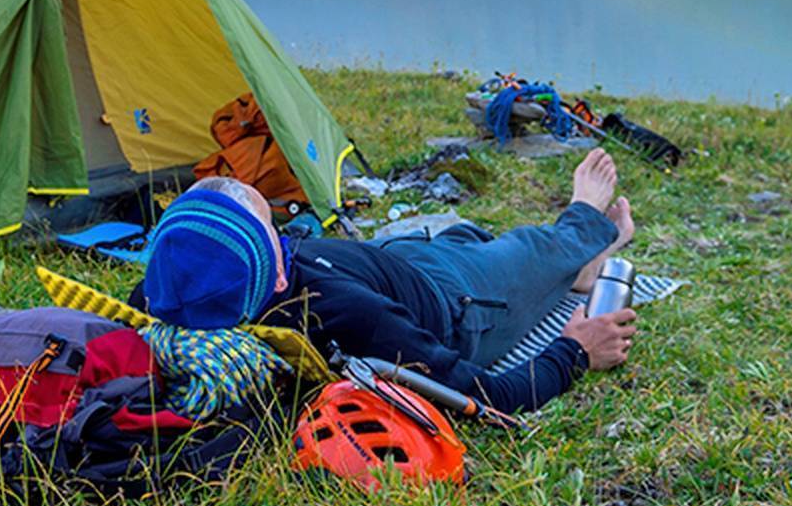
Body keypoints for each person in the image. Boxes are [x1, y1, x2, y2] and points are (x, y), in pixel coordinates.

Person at [133, 148, 639, 415]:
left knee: (467, 235)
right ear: (276, 269)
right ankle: (585, 224)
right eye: (275, 232)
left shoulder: (163, 295)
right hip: (456, 300)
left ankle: (579, 269)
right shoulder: (347, 316)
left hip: (390, 260)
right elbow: (490, 398)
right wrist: (575, 351)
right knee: (527, 251)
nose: (288, 236)